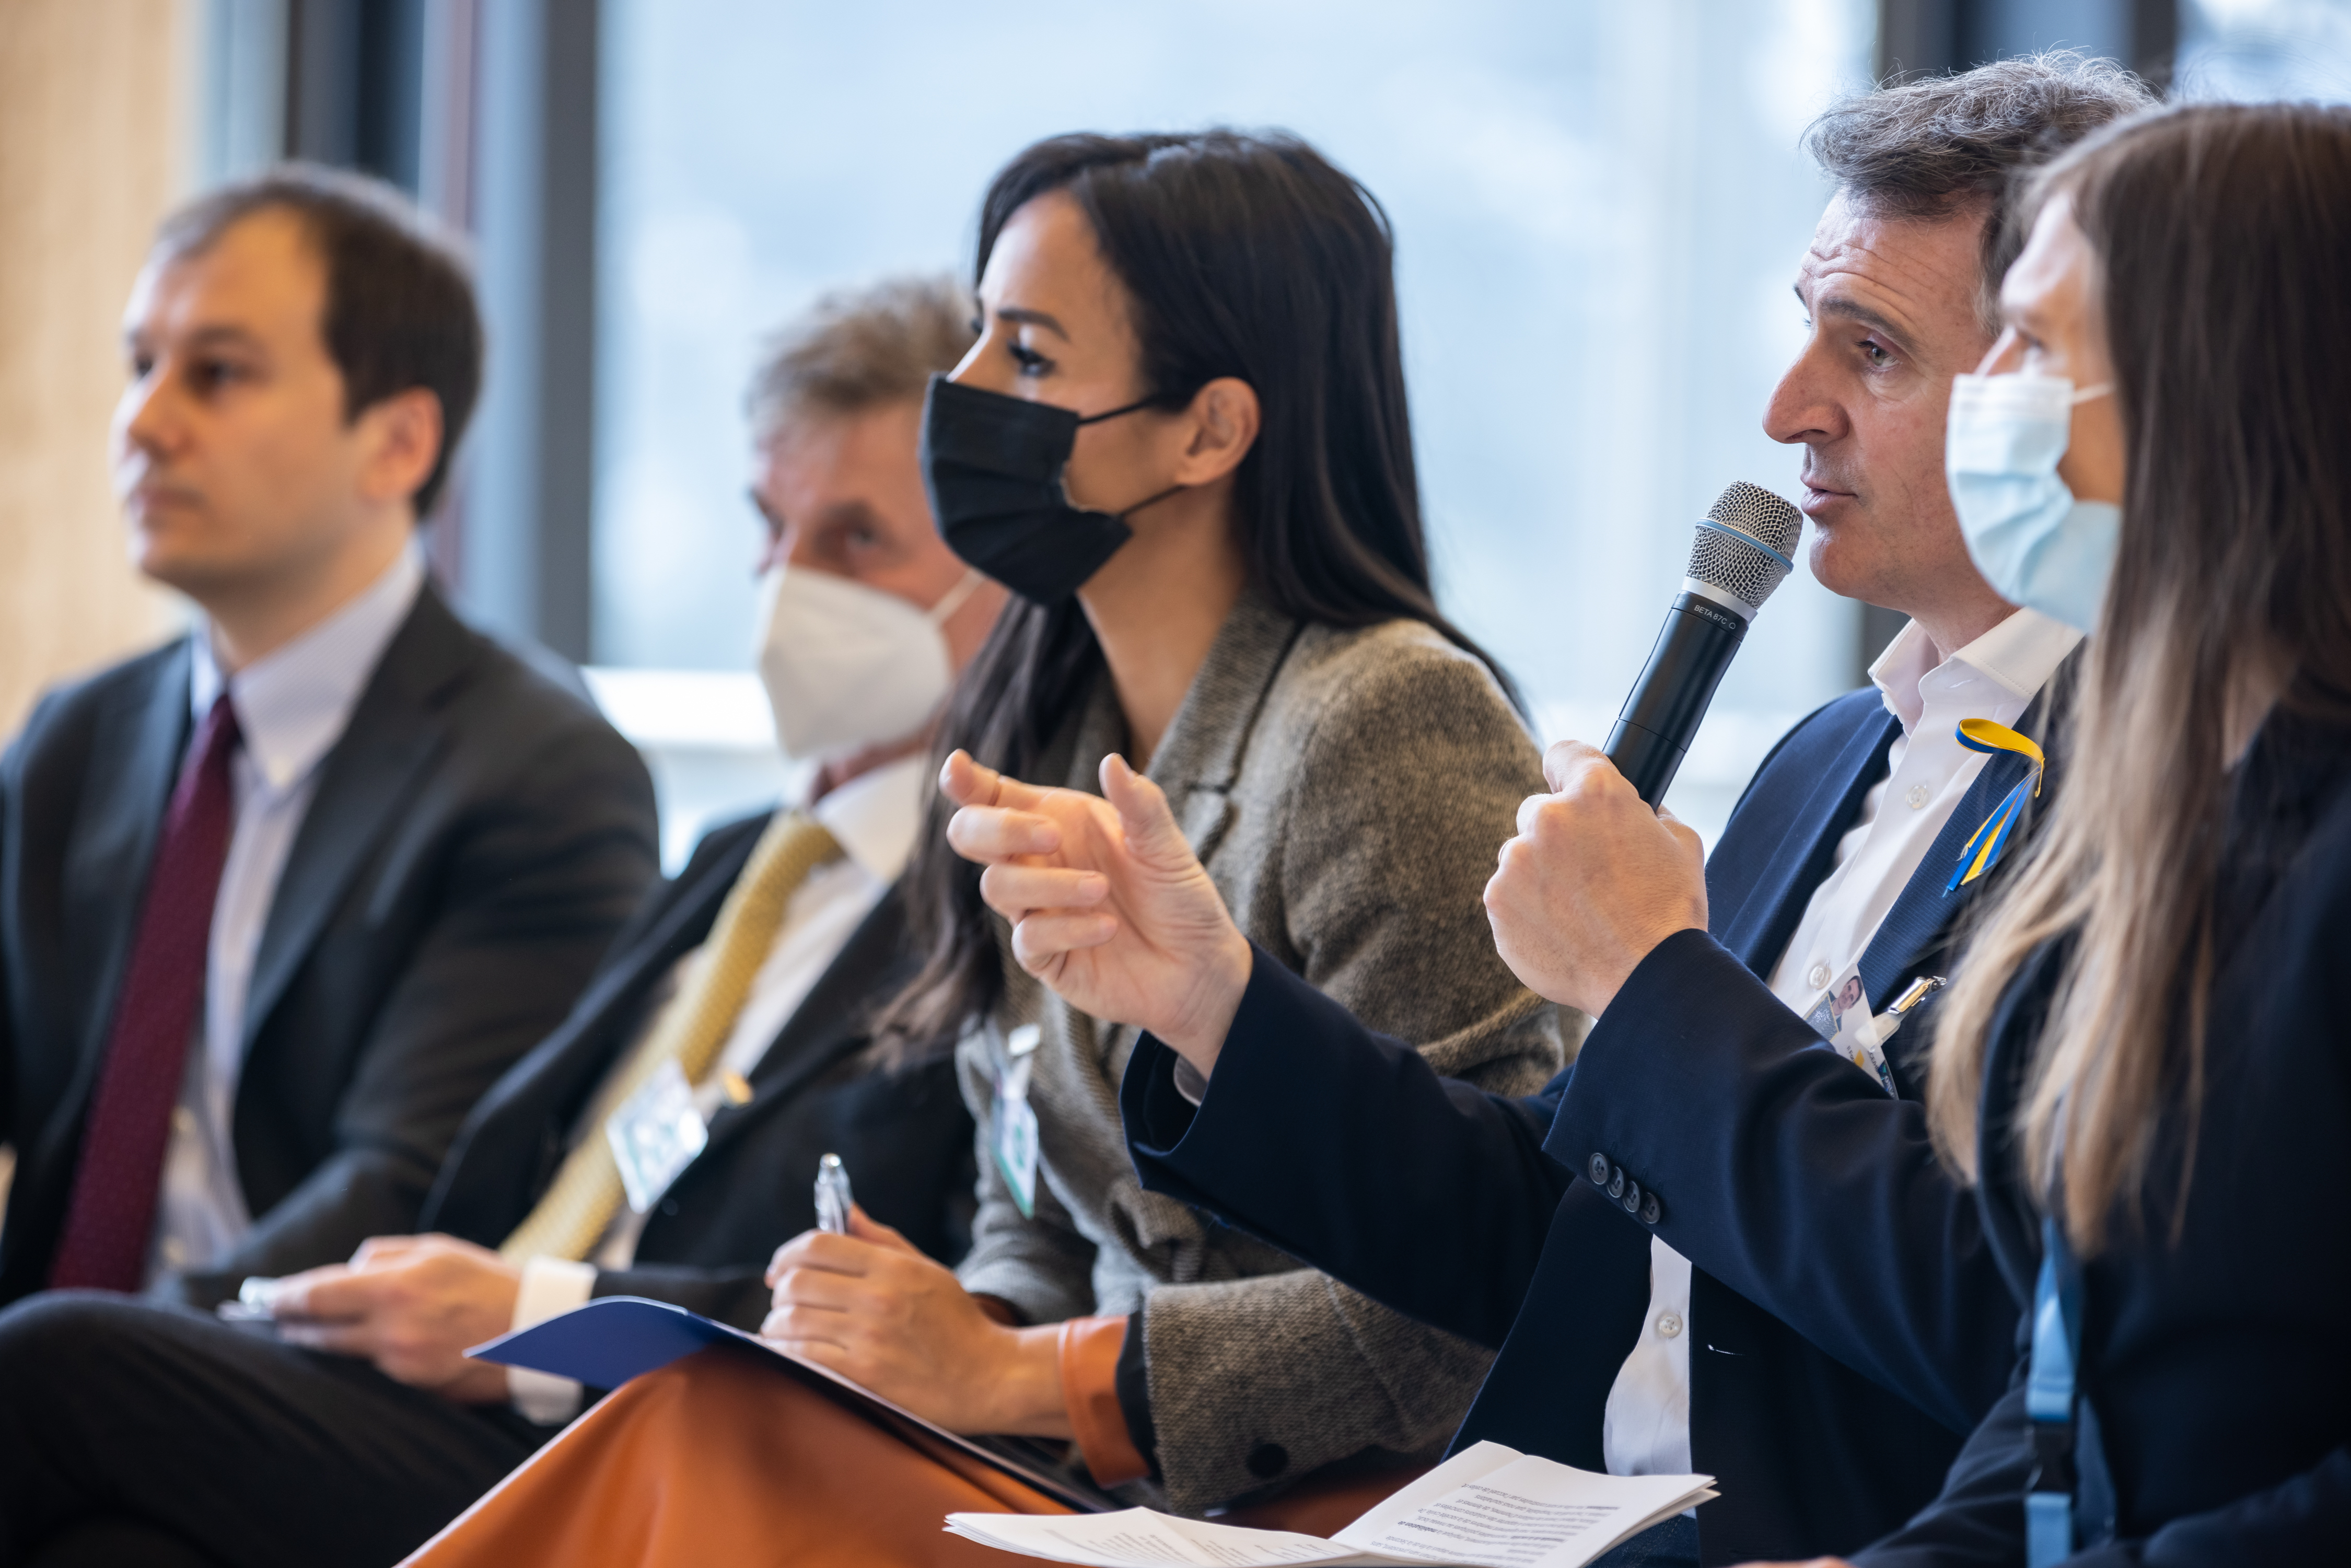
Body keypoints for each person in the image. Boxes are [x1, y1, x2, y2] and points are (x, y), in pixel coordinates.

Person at [942, 57, 2152, 1568]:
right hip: (1537, 1518)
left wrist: (1654, 990)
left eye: (1874, 352)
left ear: (2060, 396)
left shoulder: (2157, 802)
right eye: (1804, 331)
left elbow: (1998, 1318)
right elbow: (1563, 1237)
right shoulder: (1826, 755)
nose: (1789, 408)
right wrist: (1217, 1009)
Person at [401, 128, 1566, 1567]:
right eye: (975, 337)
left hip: (1308, 1518)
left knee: (689, 1438)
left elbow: (1474, 1287)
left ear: (1208, 430)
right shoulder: (1049, 707)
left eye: (1023, 355)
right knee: (708, 1411)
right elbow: (1032, 1186)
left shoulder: (1383, 715)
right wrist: (935, 1325)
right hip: (1095, 1496)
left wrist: (1017, 1374)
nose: (960, 398)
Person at [0, 275, 1011, 1568]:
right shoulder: (736, 860)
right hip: (446, 1388)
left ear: (1009, 573)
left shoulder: (1000, 906)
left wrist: (542, 1309)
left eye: (857, 541)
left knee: (53, 1362)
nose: (784, 584)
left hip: (650, 1442)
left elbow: (941, 1308)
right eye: (770, 527)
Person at [1749, 96, 2351, 1568]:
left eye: (2030, 345)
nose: (1993, 397)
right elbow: (2074, 1379)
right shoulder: (2178, 802)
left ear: (2214, 388)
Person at [0, 166, 659, 1310]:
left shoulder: (542, 773)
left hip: (316, 1402)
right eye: (141, 365)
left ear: (398, 442)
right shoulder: (82, 736)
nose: (143, 424)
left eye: (216, 373)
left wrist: (85, 1363)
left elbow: (404, 1192)